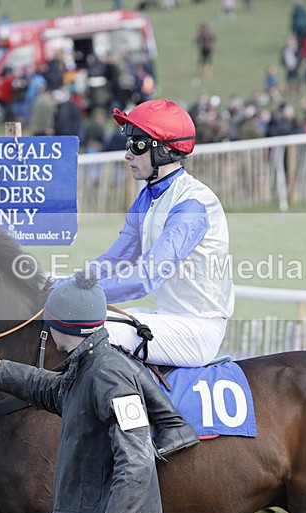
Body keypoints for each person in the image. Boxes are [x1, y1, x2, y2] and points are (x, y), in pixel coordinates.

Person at [0, 272, 181, 513]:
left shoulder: (109, 376)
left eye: (49, 322)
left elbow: (137, 458)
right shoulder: (86, 366)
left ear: (64, 326)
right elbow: (53, 389)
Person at [84, 99, 235, 368]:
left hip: (198, 329)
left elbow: (147, 277)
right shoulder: (147, 198)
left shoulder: (192, 204)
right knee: (77, 321)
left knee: (92, 334)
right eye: (128, 144)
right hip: (168, 318)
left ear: (165, 149)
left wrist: (80, 295)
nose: (127, 155)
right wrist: (65, 284)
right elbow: (115, 260)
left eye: (138, 145)